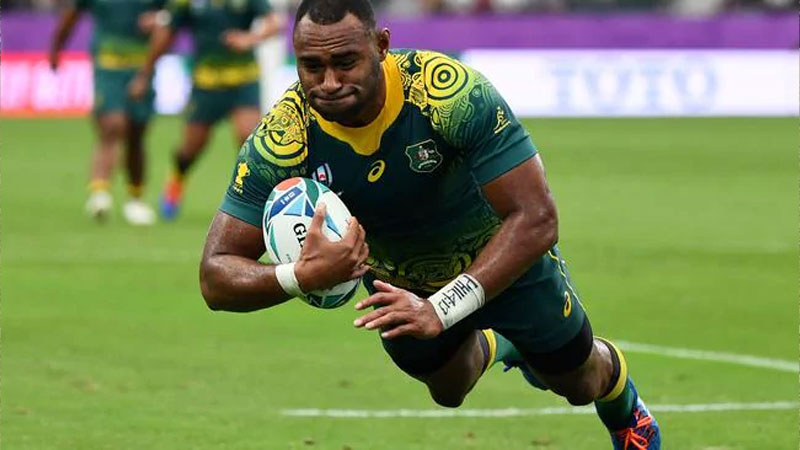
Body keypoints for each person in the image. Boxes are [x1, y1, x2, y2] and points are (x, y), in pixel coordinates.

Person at [199, 0, 661, 448]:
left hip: (504, 262)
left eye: (345, 62)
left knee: (579, 383)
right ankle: (501, 343)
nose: (329, 82)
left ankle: (628, 415)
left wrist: (441, 308)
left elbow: (537, 218)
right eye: (312, 66)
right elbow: (216, 275)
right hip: (402, 288)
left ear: (381, 45)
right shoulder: (284, 137)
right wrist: (300, 276)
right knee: (450, 390)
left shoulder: (446, 93)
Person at [129, 0, 286, 220]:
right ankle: (176, 180)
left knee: (249, 141)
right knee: (191, 148)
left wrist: (250, 38)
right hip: (206, 83)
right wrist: (145, 72)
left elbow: (275, 22)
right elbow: (167, 31)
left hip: (243, 79)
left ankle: (251, 201)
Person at [49, 0, 161, 225]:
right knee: (112, 125)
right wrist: (56, 48)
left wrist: (159, 19)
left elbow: (176, 15)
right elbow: (72, 14)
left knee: (136, 134)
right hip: (108, 66)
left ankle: (135, 198)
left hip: (142, 67)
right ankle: (99, 193)